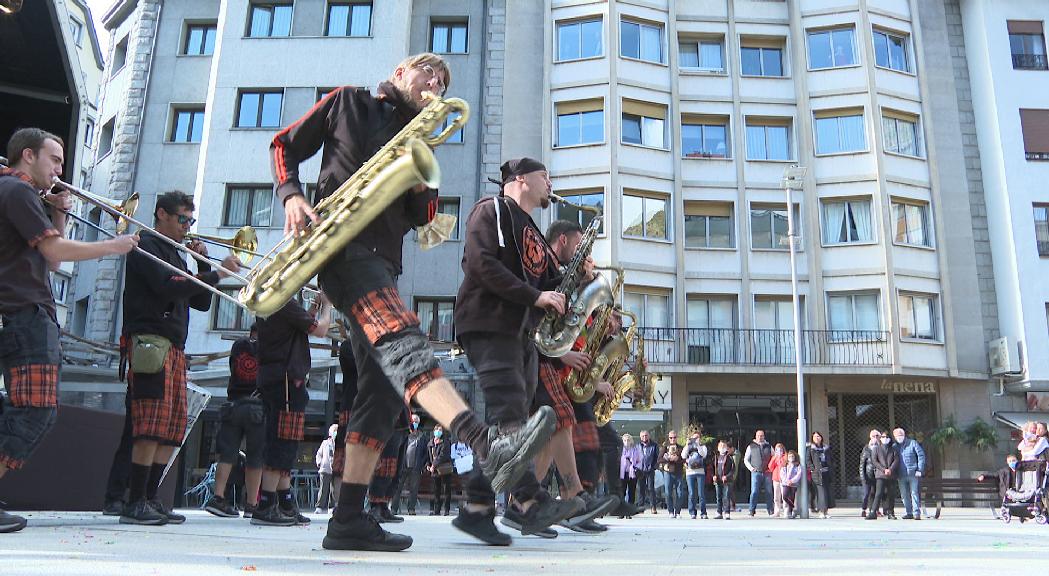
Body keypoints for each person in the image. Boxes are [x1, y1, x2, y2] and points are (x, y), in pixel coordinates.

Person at [275, 52, 555, 552]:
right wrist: (292, 195)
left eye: (443, 82)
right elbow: (283, 144)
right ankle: (486, 444)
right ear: (401, 72)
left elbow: (422, 216)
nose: (436, 84)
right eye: (430, 73)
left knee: (383, 392)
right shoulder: (348, 102)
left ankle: (346, 520)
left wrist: (423, 171)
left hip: (382, 261)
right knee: (405, 343)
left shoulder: (417, 138)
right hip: (340, 245)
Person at [0, 128, 137, 533]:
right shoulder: (18, 192)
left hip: (20, 312)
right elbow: (57, 252)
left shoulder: (17, 194)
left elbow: (52, 264)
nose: (61, 169)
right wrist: (115, 245)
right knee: (37, 412)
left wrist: (58, 211)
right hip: (26, 314)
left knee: (23, 411)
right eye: (55, 159)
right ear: (28, 155)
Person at [452, 158, 585, 545]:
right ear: (521, 180)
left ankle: (476, 509)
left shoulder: (536, 234)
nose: (550, 184)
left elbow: (551, 283)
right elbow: (480, 264)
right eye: (545, 177)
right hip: (488, 323)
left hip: (521, 333)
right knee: (511, 415)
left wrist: (578, 277)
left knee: (510, 422)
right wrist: (536, 295)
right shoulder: (491, 209)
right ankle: (530, 499)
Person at [117, 190, 238, 527]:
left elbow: (199, 302)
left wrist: (203, 263)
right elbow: (169, 287)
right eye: (183, 219)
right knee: (149, 426)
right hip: (150, 342)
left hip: (172, 346)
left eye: (191, 220)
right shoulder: (145, 244)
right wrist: (218, 274)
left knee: (170, 427)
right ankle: (134, 499)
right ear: (162, 214)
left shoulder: (175, 252)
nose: (188, 227)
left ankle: (150, 497)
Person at [252, 296, 332, 527]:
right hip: (286, 380)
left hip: (275, 377)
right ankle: (266, 504)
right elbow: (320, 331)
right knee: (283, 443)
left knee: (282, 441)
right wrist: (327, 308)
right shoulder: (284, 303)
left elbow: (297, 326)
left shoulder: (268, 303)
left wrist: (314, 308)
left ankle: (285, 503)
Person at [205, 324, 264, 518]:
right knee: (255, 457)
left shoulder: (238, 346)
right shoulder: (269, 348)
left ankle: (218, 497)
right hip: (257, 406)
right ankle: (251, 504)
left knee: (227, 454)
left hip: (234, 405)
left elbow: (234, 368)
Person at [393, 414, 426, 516]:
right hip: (403, 466)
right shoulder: (404, 435)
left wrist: (421, 463)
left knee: (414, 489)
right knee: (397, 488)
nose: (414, 423)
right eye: (412, 421)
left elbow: (426, 452)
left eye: (416, 421)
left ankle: (411, 509)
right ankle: (394, 509)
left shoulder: (422, 437)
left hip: (415, 467)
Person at [893, 427, 925, 520]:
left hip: (913, 473)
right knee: (904, 494)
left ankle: (916, 513)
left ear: (904, 435)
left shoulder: (912, 443)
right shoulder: (894, 446)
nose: (899, 437)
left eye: (901, 435)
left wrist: (920, 469)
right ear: (894, 436)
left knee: (914, 493)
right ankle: (909, 512)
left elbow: (921, 455)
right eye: (897, 435)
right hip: (901, 475)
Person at [867, 432, 898, 520]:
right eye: (883, 437)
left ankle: (890, 512)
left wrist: (890, 469)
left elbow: (896, 460)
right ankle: (873, 512)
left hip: (891, 475)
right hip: (880, 474)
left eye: (887, 437)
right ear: (880, 438)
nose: (885, 438)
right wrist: (884, 469)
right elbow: (874, 461)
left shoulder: (893, 449)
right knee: (878, 493)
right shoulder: (876, 449)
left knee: (891, 494)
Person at [743, 430, 773, 517]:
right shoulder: (751, 446)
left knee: (769, 492)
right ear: (756, 436)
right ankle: (751, 510)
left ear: (764, 436)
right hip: (756, 472)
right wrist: (751, 469)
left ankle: (770, 510)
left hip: (767, 472)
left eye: (762, 435)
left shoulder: (769, 446)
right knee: (754, 492)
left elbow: (774, 457)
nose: (760, 437)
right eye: (759, 435)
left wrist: (771, 468)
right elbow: (746, 459)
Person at [427, 425, 454, 516]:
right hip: (434, 471)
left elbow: (443, 456)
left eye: (440, 430)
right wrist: (428, 465)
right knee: (436, 490)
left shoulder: (445, 442)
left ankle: (446, 509)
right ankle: (436, 510)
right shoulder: (430, 443)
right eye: (436, 430)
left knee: (446, 489)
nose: (438, 431)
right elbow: (428, 456)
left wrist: (433, 465)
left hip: (444, 469)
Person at [682, 428, 708, 519]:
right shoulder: (688, 446)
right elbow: (683, 455)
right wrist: (687, 444)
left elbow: (703, 455)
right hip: (690, 472)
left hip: (700, 472)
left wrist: (697, 445)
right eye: (694, 438)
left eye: (697, 437)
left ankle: (703, 512)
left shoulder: (703, 446)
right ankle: (692, 512)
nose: (695, 439)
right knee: (692, 493)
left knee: (701, 494)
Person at [806, 431, 833, 519]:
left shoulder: (826, 448)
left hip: (826, 472)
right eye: (815, 437)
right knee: (821, 493)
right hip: (817, 474)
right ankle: (821, 511)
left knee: (827, 492)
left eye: (818, 436)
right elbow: (808, 460)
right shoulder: (811, 449)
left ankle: (826, 511)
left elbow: (831, 459)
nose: (817, 438)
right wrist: (813, 469)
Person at [659, 431, 685, 518]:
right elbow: (659, 459)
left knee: (680, 493)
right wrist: (668, 458)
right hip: (668, 472)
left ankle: (677, 512)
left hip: (678, 472)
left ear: (676, 438)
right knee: (668, 493)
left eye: (674, 437)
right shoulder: (665, 447)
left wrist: (677, 459)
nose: (673, 439)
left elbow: (684, 460)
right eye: (671, 438)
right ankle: (670, 511)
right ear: (668, 438)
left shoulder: (681, 448)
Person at [315, 424, 339, 514]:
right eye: (334, 431)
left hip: (336, 468)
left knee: (334, 489)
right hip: (325, 468)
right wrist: (319, 462)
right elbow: (319, 454)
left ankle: (331, 507)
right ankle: (319, 507)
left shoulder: (340, 444)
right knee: (323, 488)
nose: (335, 433)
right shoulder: (325, 443)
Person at [636, 430, 659, 512]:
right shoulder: (638, 445)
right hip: (640, 470)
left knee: (651, 488)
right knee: (641, 489)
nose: (644, 437)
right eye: (642, 436)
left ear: (649, 436)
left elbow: (657, 457)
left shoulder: (654, 445)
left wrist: (653, 467)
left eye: (646, 435)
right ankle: (640, 507)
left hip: (650, 470)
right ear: (640, 437)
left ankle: (653, 507)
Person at [859, 429, 880, 519]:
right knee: (866, 493)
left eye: (877, 436)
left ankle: (874, 510)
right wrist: (863, 476)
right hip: (868, 474)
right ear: (870, 437)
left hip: (878, 474)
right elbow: (862, 463)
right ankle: (864, 509)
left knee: (875, 493)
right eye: (873, 436)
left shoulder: (881, 447)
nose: (875, 438)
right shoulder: (866, 448)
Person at [712, 441, 735, 520]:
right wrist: (713, 476)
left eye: (724, 446)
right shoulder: (716, 457)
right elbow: (712, 468)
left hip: (726, 481)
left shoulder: (729, 457)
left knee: (726, 497)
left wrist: (727, 476)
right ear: (718, 447)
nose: (722, 447)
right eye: (721, 446)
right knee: (718, 497)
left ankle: (727, 512)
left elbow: (732, 470)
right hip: (718, 480)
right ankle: (719, 512)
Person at [780, 450, 803, 519]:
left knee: (792, 497)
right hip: (785, 484)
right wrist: (787, 481)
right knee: (785, 496)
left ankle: (790, 511)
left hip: (793, 484)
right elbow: (782, 474)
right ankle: (793, 507)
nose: (791, 457)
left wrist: (792, 481)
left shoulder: (797, 465)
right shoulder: (785, 465)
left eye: (792, 456)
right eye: (789, 456)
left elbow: (798, 475)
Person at [620, 434, 640, 507]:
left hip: (632, 473)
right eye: (625, 440)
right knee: (622, 492)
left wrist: (635, 467)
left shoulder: (635, 450)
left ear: (631, 441)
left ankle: (630, 509)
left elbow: (639, 461)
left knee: (631, 492)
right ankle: (621, 509)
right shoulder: (620, 450)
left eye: (628, 440)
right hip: (623, 473)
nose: (626, 442)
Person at [768, 443, 786, 517]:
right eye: (777, 450)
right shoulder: (774, 457)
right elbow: (770, 467)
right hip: (776, 479)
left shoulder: (785, 456)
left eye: (780, 450)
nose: (779, 451)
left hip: (784, 479)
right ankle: (777, 511)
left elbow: (785, 464)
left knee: (784, 496)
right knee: (776, 496)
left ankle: (786, 511)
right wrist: (775, 458)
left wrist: (781, 458)